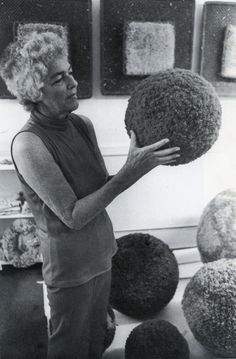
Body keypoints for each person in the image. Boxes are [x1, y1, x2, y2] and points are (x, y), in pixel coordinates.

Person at [0, 23, 180, 359]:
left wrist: (135, 165)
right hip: (70, 270)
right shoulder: (28, 144)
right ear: (34, 90)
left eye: (69, 72)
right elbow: (73, 215)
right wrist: (130, 172)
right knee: (69, 347)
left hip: (102, 254)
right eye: (59, 79)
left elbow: (101, 188)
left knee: (96, 339)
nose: (73, 83)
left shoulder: (82, 124)